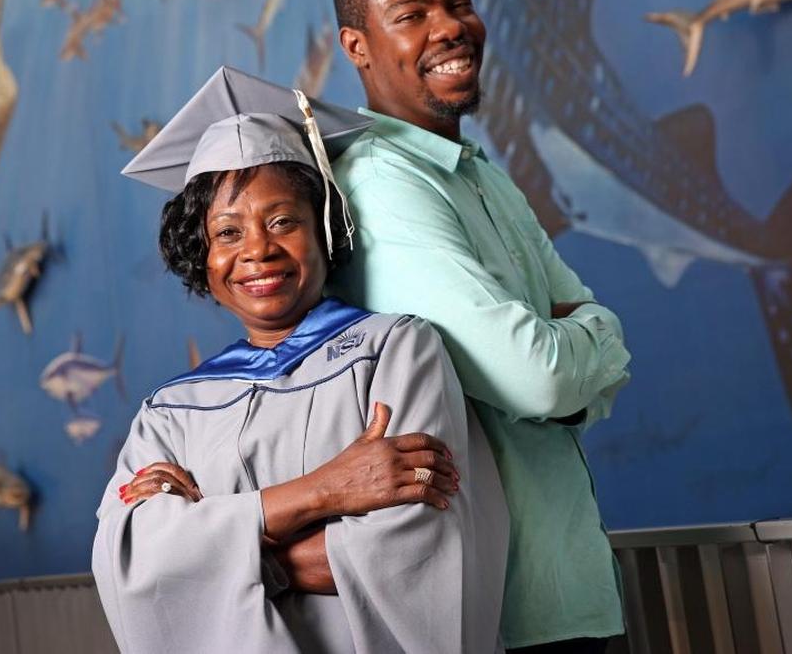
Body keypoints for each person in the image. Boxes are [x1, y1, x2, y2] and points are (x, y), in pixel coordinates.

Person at [93, 67, 509, 653]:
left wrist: (222, 554)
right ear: (203, 256)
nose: (257, 250)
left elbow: (415, 545)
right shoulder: (170, 413)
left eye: (283, 222)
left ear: (325, 228)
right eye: (227, 233)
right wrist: (326, 491)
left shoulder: (394, 352)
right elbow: (133, 562)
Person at [328, 0, 632, 654]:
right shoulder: (382, 181)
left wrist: (581, 351)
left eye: (459, 2)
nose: (452, 28)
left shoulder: (478, 171)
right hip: (501, 613)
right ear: (357, 46)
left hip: (575, 592)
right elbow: (539, 378)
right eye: (412, 15)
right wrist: (588, 341)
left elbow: (575, 358)